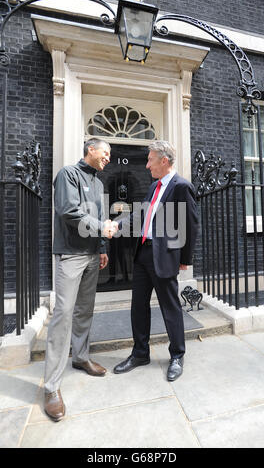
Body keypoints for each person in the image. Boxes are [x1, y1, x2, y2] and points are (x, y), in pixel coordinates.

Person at [111, 141, 198, 381]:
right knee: (138, 306)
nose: (147, 165)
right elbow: (141, 214)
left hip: (165, 255)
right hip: (143, 254)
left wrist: (185, 258)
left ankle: (177, 356)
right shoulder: (153, 187)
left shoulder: (181, 186)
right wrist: (117, 225)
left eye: (150, 160)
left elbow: (190, 225)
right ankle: (140, 353)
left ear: (164, 161)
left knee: (170, 308)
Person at [44, 138, 114, 422]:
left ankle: (81, 357)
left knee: (85, 310)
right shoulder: (67, 174)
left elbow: (99, 215)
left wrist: (101, 247)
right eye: (105, 153)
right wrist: (102, 227)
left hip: (90, 256)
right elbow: (68, 211)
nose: (108, 158)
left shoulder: (98, 184)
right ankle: (51, 388)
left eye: (110, 155)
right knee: (63, 314)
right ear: (91, 150)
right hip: (70, 256)